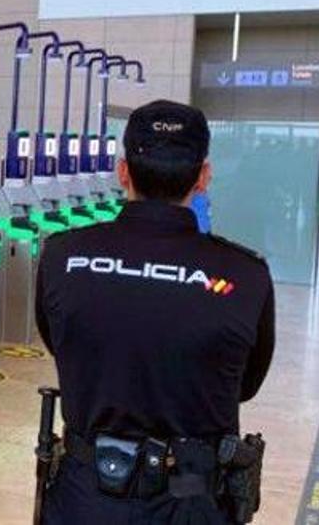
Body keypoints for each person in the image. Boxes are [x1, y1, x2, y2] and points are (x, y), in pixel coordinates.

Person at [35, 100, 275, 524]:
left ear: (123, 171)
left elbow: (60, 342)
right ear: (203, 177)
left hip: (84, 497)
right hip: (191, 498)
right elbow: (244, 384)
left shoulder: (62, 256)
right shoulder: (245, 274)